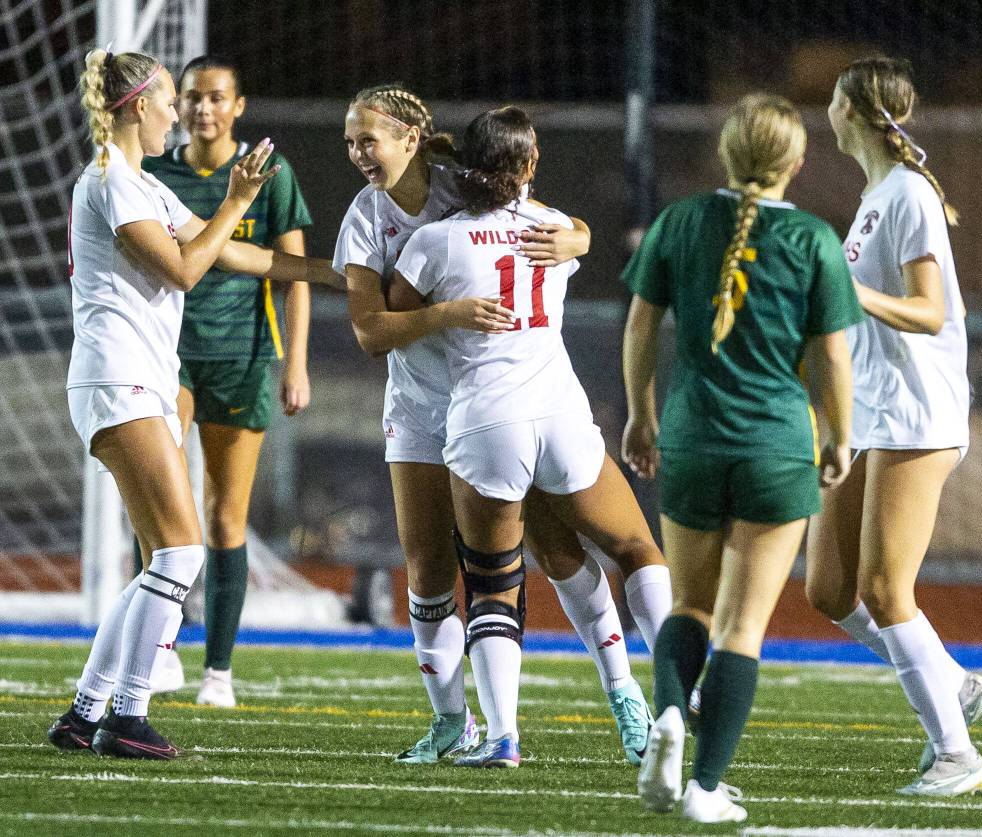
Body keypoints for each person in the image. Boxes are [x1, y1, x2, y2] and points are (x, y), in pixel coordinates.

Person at [336, 85, 670, 766]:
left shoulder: (460, 198)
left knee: (523, 561)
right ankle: (452, 721)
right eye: (349, 142)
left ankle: (588, 706)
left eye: (368, 139)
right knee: (430, 573)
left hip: (485, 411)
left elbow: (561, 226)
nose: (358, 154)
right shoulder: (368, 216)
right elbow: (373, 331)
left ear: (411, 137)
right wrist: (448, 314)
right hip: (432, 410)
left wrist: (576, 232)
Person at [47, 48, 339, 760]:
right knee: (180, 550)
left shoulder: (144, 186)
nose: (179, 113)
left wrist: (348, 277)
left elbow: (241, 255)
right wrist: (236, 203)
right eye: (172, 100)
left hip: (131, 381)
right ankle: (129, 713)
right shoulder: (113, 182)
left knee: (165, 558)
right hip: (119, 380)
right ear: (139, 106)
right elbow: (184, 268)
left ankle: (87, 713)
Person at [621, 93, 862, 822]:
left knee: (689, 603)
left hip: (691, 438)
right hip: (774, 448)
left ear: (727, 154)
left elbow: (639, 326)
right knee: (740, 626)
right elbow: (831, 355)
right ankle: (704, 788)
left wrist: (641, 415)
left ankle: (667, 713)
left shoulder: (680, 221)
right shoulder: (815, 239)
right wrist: (838, 433)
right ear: (796, 161)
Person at [804, 56, 982, 797]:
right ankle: (952, 681)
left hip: (919, 410)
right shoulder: (877, 195)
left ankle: (957, 755)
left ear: (851, 110)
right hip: (875, 414)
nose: (824, 110)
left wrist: (845, 292)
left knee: (887, 589)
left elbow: (929, 310)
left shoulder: (910, 193)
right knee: (828, 588)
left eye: (831, 99)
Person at [142, 55, 313, 707]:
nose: (204, 109)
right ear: (177, 105)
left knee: (224, 516)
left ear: (238, 106)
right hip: (167, 356)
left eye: (217, 98)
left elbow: (292, 272)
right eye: (192, 98)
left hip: (242, 357)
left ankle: (217, 670)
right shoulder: (152, 170)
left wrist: (295, 363)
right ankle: (159, 651)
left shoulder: (269, 173)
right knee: (156, 507)